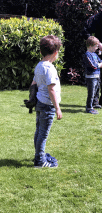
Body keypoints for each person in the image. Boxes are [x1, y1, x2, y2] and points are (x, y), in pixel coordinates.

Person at [32, 35, 62, 168]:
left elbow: (34, 83)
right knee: (43, 134)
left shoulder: (39, 65)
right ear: (55, 53)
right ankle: (40, 161)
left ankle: (39, 155)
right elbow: (51, 90)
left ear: (41, 52)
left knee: (39, 131)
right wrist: (57, 108)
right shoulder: (49, 69)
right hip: (47, 106)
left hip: (40, 103)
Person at [83, 36, 102, 114]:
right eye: (96, 46)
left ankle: (94, 104)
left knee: (96, 92)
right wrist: (99, 65)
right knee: (91, 93)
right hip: (91, 77)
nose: (97, 48)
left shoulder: (95, 54)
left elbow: (101, 61)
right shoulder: (87, 55)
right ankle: (89, 108)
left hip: (97, 76)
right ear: (91, 46)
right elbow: (92, 65)